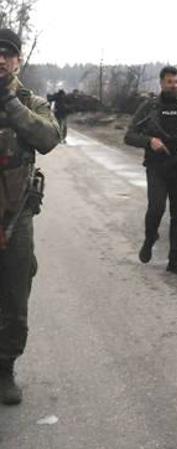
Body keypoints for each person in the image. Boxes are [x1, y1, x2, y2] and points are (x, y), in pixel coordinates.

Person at [0, 28, 61, 405]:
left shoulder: (30, 101)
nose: (1, 60)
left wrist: (9, 102)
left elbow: (49, 138)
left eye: (7, 54)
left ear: (18, 60)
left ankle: (4, 368)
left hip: (15, 214)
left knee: (15, 295)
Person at [124, 66, 177, 276]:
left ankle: (174, 260)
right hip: (157, 167)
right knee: (156, 208)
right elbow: (129, 135)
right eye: (170, 82)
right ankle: (150, 237)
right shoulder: (150, 107)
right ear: (162, 84)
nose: (174, 85)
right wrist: (149, 141)